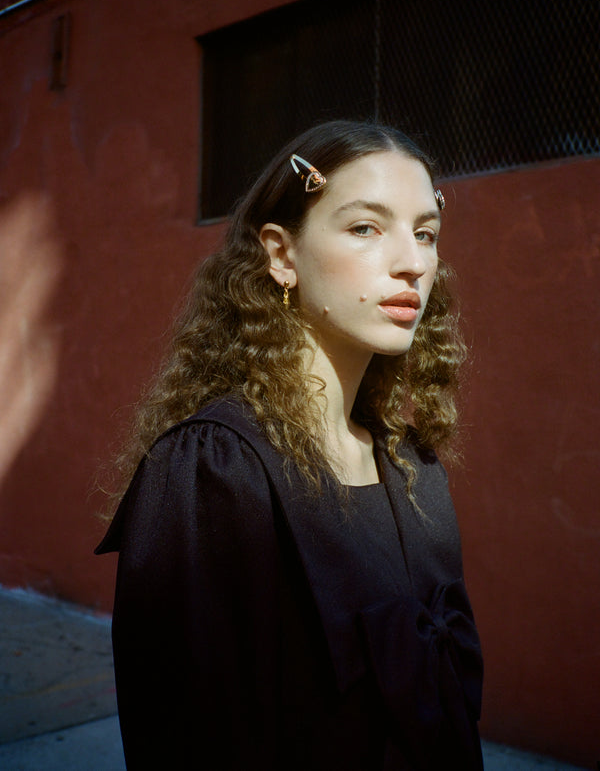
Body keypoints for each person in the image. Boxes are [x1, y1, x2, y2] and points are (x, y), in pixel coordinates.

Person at [96, 120, 483, 770]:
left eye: (425, 233)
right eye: (365, 227)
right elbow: (186, 740)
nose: (412, 261)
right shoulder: (214, 470)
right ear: (281, 254)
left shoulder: (410, 462)